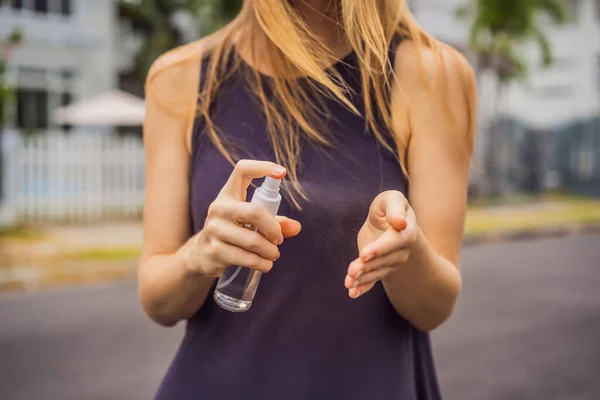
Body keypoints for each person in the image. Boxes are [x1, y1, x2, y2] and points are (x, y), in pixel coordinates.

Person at [140, 0, 477, 398]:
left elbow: (433, 307)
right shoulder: (179, 77)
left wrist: (405, 251)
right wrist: (199, 254)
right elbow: (158, 301)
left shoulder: (431, 73)